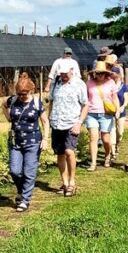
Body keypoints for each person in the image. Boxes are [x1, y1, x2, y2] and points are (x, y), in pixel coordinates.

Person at [0, 73, 47, 213]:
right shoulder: (13, 100)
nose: (22, 96)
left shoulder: (37, 103)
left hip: (33, 141)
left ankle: (25, 200)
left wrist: (45, 139)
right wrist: (8, 116)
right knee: (14, 170)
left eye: (24, 94)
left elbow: (45, 121)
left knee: (29, 172)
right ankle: (21, 190)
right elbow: (3, 105)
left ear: (31, 91)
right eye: (20, 94)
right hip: (16, 141)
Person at [47, 63, 88, 197]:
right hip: (57, 122)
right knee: (60, 154)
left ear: (72, 70)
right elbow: (51, 101)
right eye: (61, 73)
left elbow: (85, 104)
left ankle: (72, 182)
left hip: (71, 123)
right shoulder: (55, 83)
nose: (63, 76)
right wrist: (49, 118)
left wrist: (79, 123)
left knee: (69, 151)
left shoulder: (79, 84)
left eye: (65, 73)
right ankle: (64, 182)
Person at [84, 61, 118, 171]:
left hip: (106, 113)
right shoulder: (89, 83)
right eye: (98, 73)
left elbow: (114, 97)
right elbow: (85, 99)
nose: (100, 75)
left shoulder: (111, 82)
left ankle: (107, 155)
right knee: (93, 137)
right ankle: (93, 163)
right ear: (94, 73)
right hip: (91, 113)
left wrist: (116, 110)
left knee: (106, 139)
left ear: (106, 73)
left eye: (102, 73)